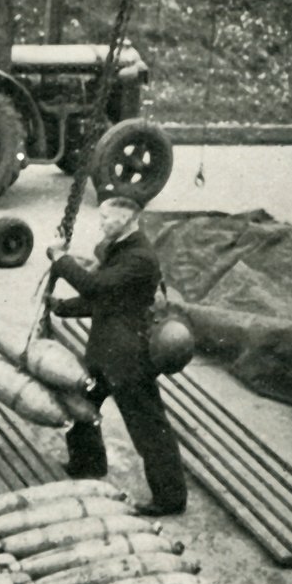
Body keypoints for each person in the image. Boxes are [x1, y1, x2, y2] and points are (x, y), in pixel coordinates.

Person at [46, 196, 188, 516]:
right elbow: (106, 300)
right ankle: (87, 464)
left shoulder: (139, 258)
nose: (101, 223)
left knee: (148, 428)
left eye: (107, 218)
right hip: (104, 351)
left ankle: (170, 498)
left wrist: (59, 258)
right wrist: (62, 307)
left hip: (128, 358)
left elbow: (95, 287)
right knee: (81, 405)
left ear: (127, 218)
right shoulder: (117, 249)